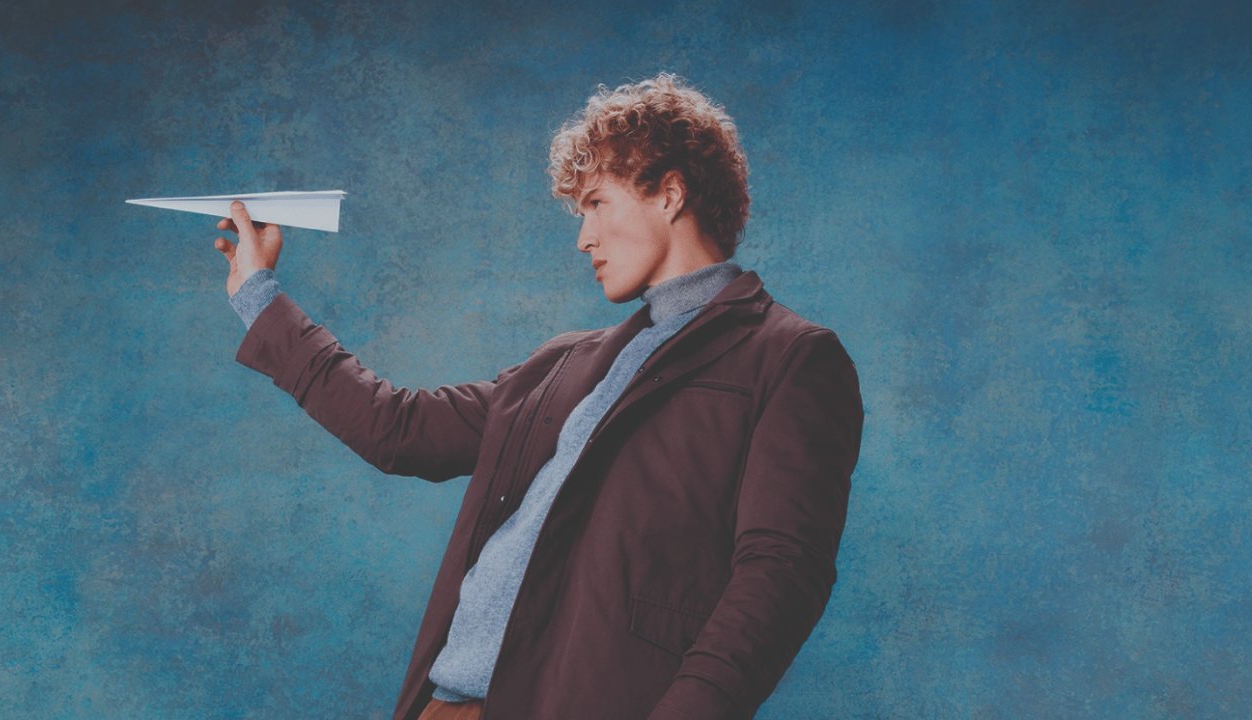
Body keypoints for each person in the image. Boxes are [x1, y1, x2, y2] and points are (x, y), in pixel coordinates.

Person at [213, 73, 863, 720]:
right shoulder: (564, 363)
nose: (583, 238)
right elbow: (398, 428)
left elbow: (778, 579)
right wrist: (258, 296)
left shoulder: (791, 359)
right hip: (445, 708)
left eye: (598, 204)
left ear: (669, 193)